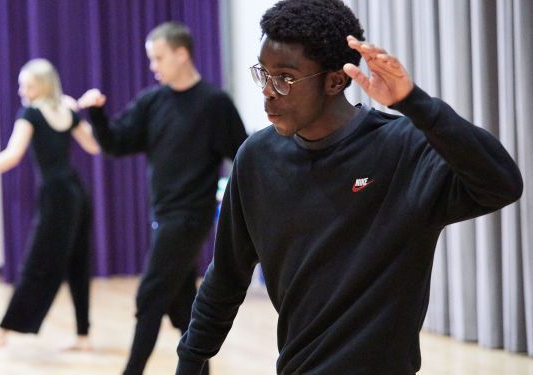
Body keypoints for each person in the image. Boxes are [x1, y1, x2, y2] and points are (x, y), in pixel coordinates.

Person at [175, 0, 524, 374]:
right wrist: (190, 360)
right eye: (263, 74)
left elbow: (501, 183)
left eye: (285, 78)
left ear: (335, 81)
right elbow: (225, 277)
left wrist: (415, 103)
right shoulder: (256, 158)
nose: (269, 92)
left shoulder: (402, 149)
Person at [77, 21, 248, 375]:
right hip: (163, 215)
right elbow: (116, 143)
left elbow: (244, 155)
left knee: (151, 295)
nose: (153, 67)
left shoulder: (214, 104)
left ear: (181, 54)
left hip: (190, 217)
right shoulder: (153, 101)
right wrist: (96, 114)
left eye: (158, 58)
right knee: (181, 305)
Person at [0, 58, 101, 357]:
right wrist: (79, 113)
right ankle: (82, 335)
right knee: (76, 262)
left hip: (57, 197)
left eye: (29, 85)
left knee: (37, 265)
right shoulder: (65, 113)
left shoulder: (32, 115)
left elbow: (12, 155)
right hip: (76, 193)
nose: (22, 91)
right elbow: (95, 145)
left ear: (44, 86)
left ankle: (1, 333)